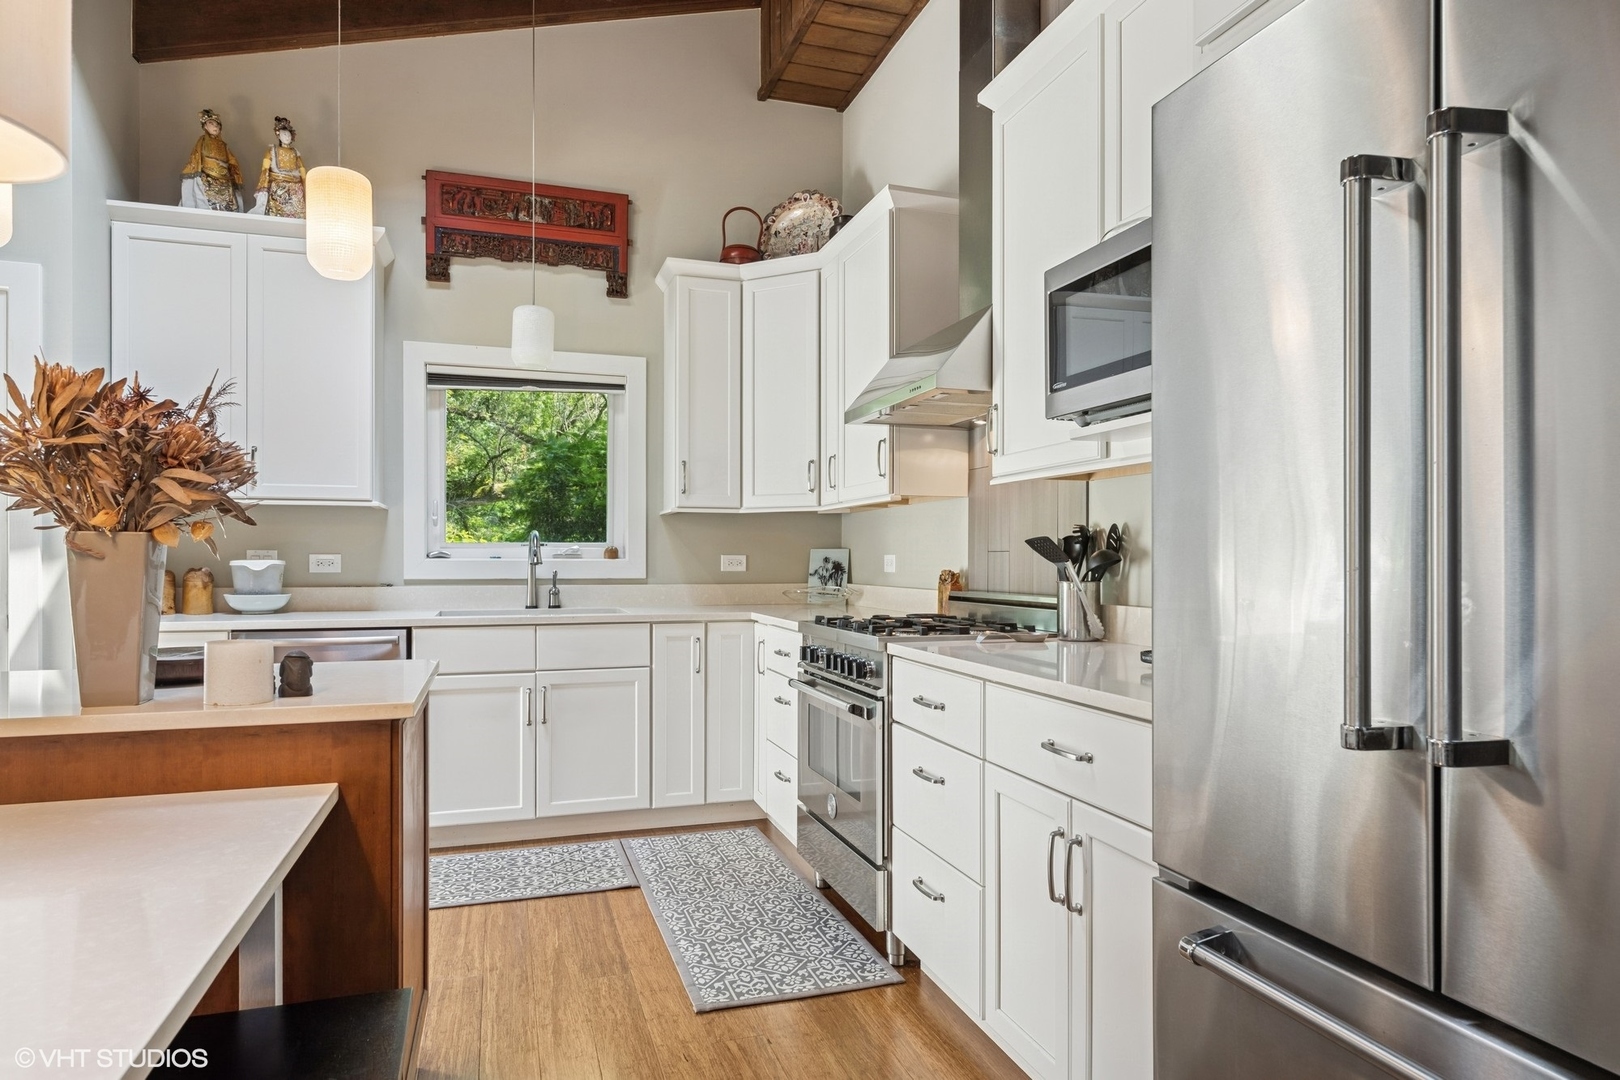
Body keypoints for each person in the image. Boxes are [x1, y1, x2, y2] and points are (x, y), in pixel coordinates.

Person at [180, 109, 244, 212]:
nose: (215, 127)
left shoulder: (224, 145)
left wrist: (233, 173)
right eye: (211, 123)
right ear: (205, 126)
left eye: (217, 125)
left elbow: (232, 161)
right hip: (208, 179)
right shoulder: (202, 141)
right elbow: (195, 158)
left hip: (225, 180)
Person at [250, 116, 306, 218]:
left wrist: (306, 184)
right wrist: (264, 185)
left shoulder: (295, 152)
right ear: (278, 135)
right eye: (284, 134)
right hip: (278, 186)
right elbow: (265, 169)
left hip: (295, 187)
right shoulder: (272, 150)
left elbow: (302, 170)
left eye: (288, 134)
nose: (287, 137)